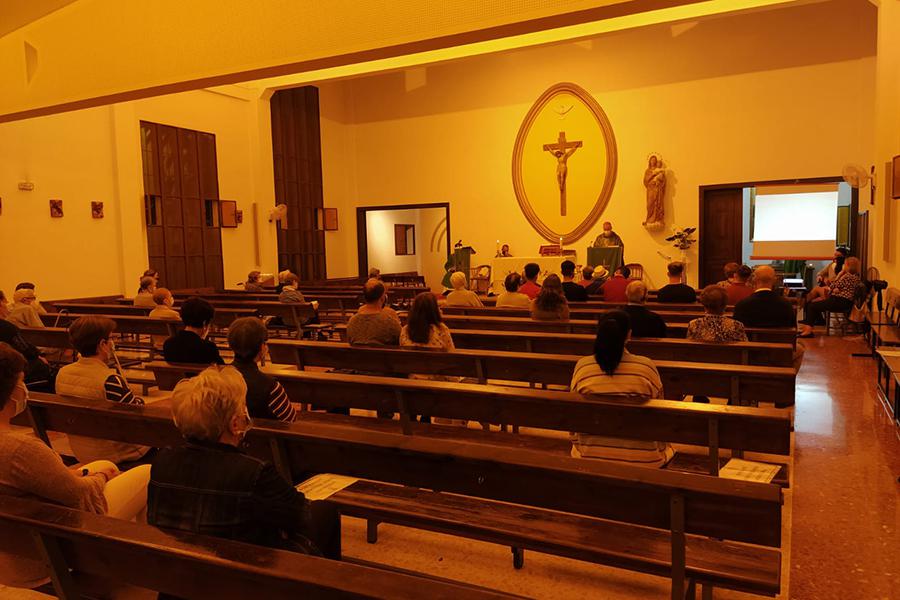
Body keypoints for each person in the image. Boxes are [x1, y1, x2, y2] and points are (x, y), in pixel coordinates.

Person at [0, 342, 150, 589]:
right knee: (145, 473)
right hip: (43, 554)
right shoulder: (20, 449)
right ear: (11, 391)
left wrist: (88, 471)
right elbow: (77, 494)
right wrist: (101, 476)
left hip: (15, 543)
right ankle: (147, 557)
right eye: (21, 381)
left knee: (101, 463)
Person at [148, 366, 332, 557]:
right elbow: (300, 514)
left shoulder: (163, 460)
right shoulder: (254, 472)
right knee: (324, 512)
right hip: (240, 577)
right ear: (236, 424)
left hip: (177, 569)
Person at [569, 311, 674, 466]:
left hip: (589, 454)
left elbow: (574, 413)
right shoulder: (646, 366)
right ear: (629, 334)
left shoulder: (583, 366)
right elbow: (660, 415)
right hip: (645, 459)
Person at [56, 317, 152, 466]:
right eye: (111, 339)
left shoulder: (63, 373)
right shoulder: (110, 380)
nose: (113, 343)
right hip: (117, 453)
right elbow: (137, 417)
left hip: (82, 451)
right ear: (102, 344)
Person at [228, 317, 296, 422]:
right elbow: (290, 420)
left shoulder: (218, 378)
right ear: (262, 347)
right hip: (262, 438)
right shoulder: (271, 387)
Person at [0, 292, 53, 390]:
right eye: (4, 301)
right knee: (43, 367)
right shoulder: (6, 327)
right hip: (8, 369)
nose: (7, 304)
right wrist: (37, 356)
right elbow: (25, 349)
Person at [798, 257, 862, 338]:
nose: (843, 266)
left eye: (844, 264)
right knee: (814, 303)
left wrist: (839, 275)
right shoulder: (855, 277)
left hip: (839, 301)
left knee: (812, 305)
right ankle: (809, 326)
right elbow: (839, 287)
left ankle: (808, 330)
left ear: (848, 266)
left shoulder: (847, 276)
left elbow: (832, 285)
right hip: (844, 301)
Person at [163, 297, 224, 365]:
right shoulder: (208, 347)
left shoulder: (169, 344)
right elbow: (222, 369)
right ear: (204, 323)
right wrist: (202, 341)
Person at [346, 279, 401, 346]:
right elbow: (399, 342)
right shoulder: (390, 322)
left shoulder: (352, 322)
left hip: (357, 356)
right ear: (382, 298)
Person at [149, 288, 180, 352]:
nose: (172, 299)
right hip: (171, 345)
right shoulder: (174, 314)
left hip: (157, 344)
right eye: (171, 297)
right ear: (165, 301)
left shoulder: (152, 313)